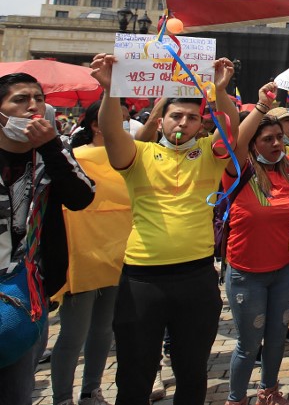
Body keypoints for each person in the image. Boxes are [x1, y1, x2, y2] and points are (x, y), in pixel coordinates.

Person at [89, 53, 239, 405]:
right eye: (176, 116)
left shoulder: (208, 151)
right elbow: (111, 130)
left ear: (200, 125)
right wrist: (112, 90)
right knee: (135, 373)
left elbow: (231, 127)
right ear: (161, 121)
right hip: (141, 281)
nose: (183, 123)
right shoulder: (137, 154)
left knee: (191, 372)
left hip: (197, 278)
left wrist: (219, 92)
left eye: (191, 118)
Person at [0, 74, 95, 405]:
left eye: (38, 99)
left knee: (16, 388)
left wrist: (51, 146)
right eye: (19, 100)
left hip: (28, 291)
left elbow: (82, 196)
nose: (32, 106)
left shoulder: (52, 155)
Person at [221, 83, 289, 405]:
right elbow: (237, 141)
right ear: (253, 144)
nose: (276, 144)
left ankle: (269, 392)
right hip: (247, 274)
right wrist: (260, 107)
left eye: (279, 138)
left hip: (284, 271)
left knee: (275, 339)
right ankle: (235, 398)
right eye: (267, 139)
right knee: (249, 343)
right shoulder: (238, 170)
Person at [49, 104, 132, 405]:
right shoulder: (74, 158)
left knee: (102, 331)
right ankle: (62, 398)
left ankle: (91, 391)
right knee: (73, 335)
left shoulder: (128, 157)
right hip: (81, 254)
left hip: (117, 252)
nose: (126, 123)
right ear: (98, 125)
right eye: (121, 119)